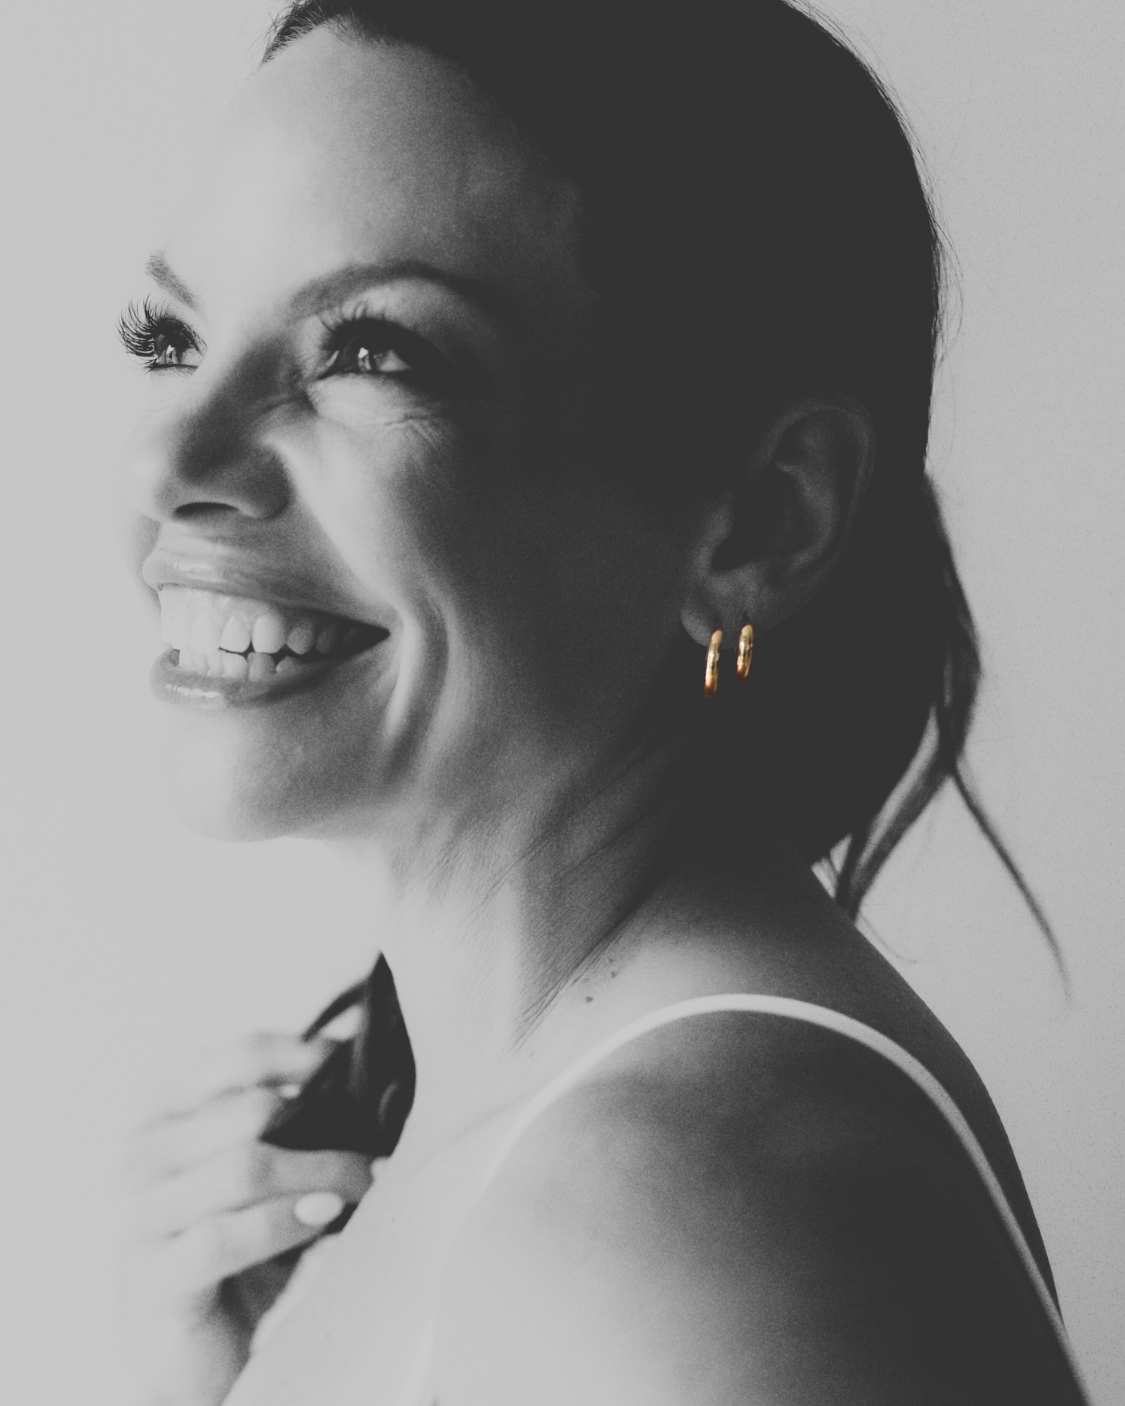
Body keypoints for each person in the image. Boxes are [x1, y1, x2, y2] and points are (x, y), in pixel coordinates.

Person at [117, 2, 1091, 1402]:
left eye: (371, 352)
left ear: (761, 521)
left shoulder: (674, 1218)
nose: (173, 462)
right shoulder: (513, 1145)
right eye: (168, 335)